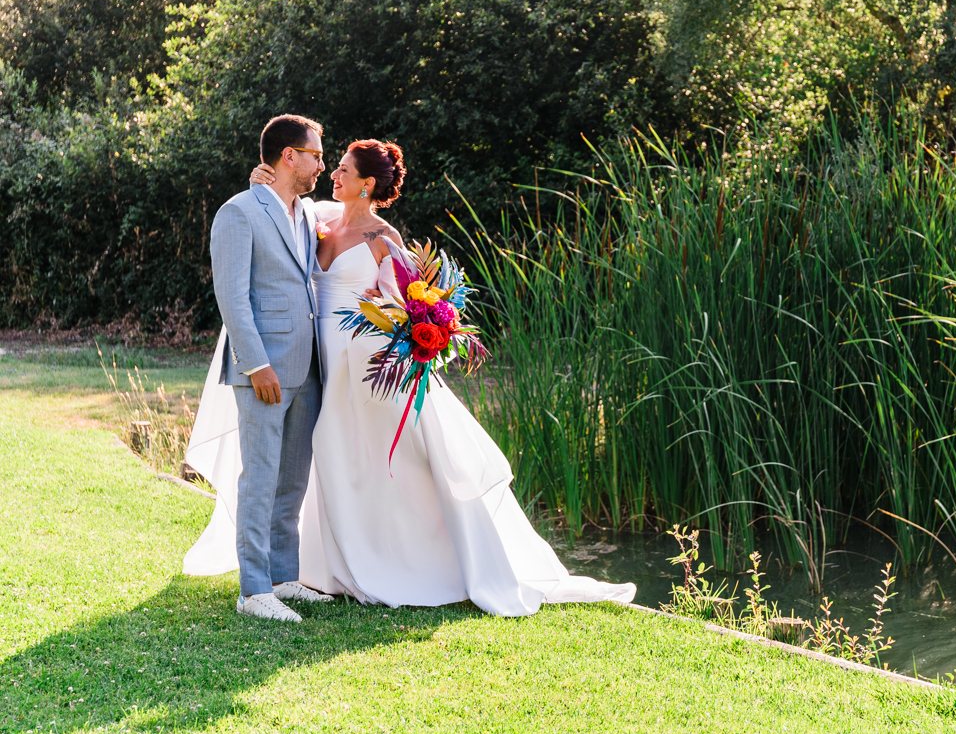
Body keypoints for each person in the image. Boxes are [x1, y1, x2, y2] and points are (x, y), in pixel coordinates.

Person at [184, 136, 636, 618]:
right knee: (325, 465)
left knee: (360, 467)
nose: (331, 172)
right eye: (324, 162)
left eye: (340, 168)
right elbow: (272, 210)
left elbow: (409, 303)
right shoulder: (316, 219)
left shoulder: (382, 237)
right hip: (316, 363)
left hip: (363, 365)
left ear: (367, 182)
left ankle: (384, 560)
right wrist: (261, 178)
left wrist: (425, 333)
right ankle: (271, 582)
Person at [205, 114, 338, 623]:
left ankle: (284, 577)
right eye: (316, 155)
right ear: (289, 156)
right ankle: (253, 589)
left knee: (292, 481)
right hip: (263, 369)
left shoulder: (305, 212)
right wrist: (256, 363)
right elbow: (232, 297)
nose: (322, 165)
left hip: (308, 367)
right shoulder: (238, 213)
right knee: (259, 478)